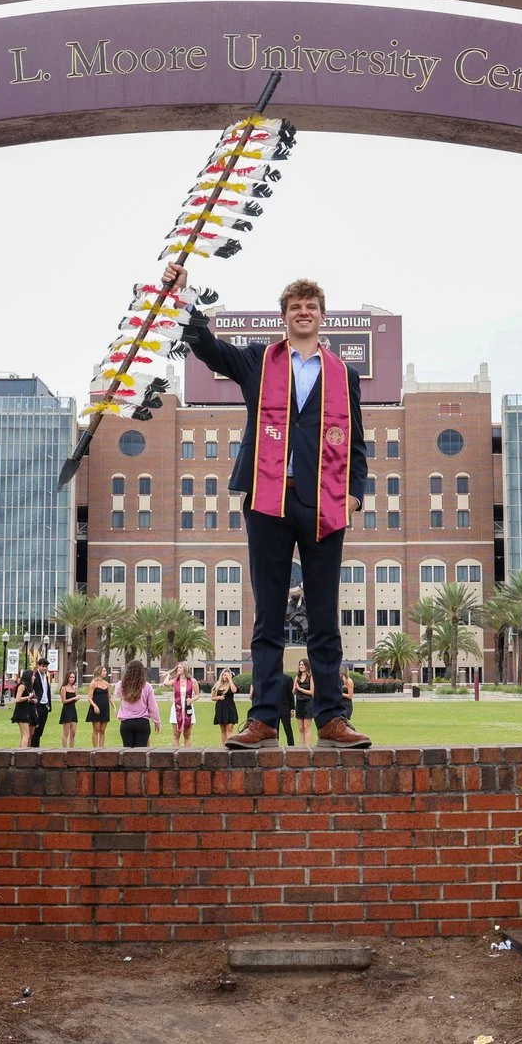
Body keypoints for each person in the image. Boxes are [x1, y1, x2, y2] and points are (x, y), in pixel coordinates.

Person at [169, 266, 371, 750]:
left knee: (323, 615)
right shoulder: (260, 361)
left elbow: (357, 441)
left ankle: (331, 719)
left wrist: (355, 492)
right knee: (267, 614)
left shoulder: (342, 374)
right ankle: (261, 719)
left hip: (324, 502)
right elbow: (208, 348)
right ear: (284, 317)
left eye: (311, 307)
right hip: (267, 498)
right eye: (295, 307)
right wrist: (184, 298)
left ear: (321, 316)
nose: (304, 313)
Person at [114, 658, 158, 749]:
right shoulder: (147, 687)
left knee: (127, 752)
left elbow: (117, 693)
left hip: (126, 722)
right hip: (142, 722)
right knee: (141, 752)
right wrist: (157, 722)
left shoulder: (122, 686)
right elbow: (153, 707)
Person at [10, 663, 45, 749]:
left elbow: (25, 699)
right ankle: (23, 752)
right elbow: (18, 699)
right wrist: (28, 697)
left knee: (26, 735)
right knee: (26, 735)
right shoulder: (22, 686)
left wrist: (31, 700)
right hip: (21, 713)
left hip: (26, 712)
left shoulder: (29, 687)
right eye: (33, 676)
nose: (34, 677)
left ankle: (22, 752)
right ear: (28, 676)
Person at [210, 669, 240, 742]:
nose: (225, 677)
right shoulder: (217, 685)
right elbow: (213, 698)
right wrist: (219, 697)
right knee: (223, 730)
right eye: (224, 675)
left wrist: (230, 680)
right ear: (222, 676)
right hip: (220, 708)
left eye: (227, 675)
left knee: (230, 728)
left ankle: (230, 745)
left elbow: (234, 690)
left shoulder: (232, 684)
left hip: (230, 708)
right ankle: (224, 746)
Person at [87, 666, 112, 747]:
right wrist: (95, 706)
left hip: (105, 709)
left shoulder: (106, 684)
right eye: (104, 671)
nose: (106, 672)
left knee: (102, 730)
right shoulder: (94, 683)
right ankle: (95, 749)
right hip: (96, 709)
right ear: (99, 672)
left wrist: (115, 708)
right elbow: (89, 698)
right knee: (96, 730)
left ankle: (101, 749)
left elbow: (110, 697)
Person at [57, 667, 81, 748]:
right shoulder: (63, 688)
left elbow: (74, 700)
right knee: (66, 733)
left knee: (73, 732)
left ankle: (72, 749)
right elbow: (64, 701)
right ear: (67, 677)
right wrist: (74, 698)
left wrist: (76, 699)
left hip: (73, 710)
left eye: (73, 677)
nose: (72, 679)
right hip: (66, 711)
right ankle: (64, 749)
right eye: (70, 677)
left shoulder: (74, 687)